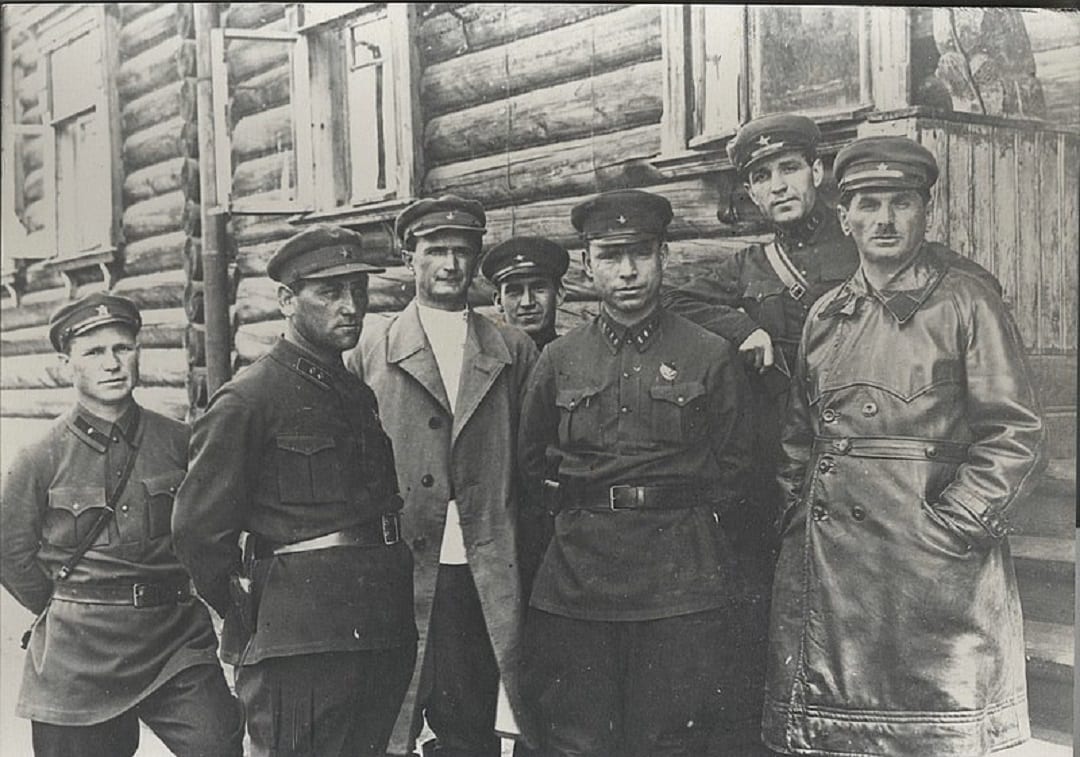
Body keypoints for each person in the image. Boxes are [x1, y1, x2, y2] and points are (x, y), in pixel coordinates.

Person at [763, 136, 1046, 756]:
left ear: (926, 212)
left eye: (901, 203)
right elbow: (798, 438)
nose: (883, 221)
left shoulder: (967, 302)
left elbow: (1016, 432)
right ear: (844, 216)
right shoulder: (826, 314)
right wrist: (794, 520)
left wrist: (951, 528)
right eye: (866, 204)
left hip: (930, 577)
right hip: (833, 577)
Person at [518, 189, 756, 757]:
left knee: (671, 741)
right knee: (577, 740)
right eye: (610, 255)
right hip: (579, 580)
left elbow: (739, 466)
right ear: (586, 264)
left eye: (641, 253)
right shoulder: (559, 360)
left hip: (680, 578)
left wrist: (692, 530)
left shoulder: (707, 353)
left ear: (664, 257)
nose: (627, 271)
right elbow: (531, 466)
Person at [172, 225, 417, 757]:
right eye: (329, 292)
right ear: (287, 300)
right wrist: (249, 617)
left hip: (375, 630)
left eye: (358, 289)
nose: (350, 306)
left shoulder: (354, 393)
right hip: (299, 644)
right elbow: (196, 533)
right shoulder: (248, 399)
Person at [0, 292, 243, 757]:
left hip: (174, 643)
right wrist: (70, 603)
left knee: (221, 745)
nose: (111, 363)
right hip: (80, 655)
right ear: (65, 363)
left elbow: (211, 531)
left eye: (122, 348)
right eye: (93, 352)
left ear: (138, 352)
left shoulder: (180, 442)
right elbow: (10, 554)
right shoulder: (39, 456)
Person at [346, 196, 538, 757]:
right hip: (395, 567)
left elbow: (527, 461)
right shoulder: (368, 350)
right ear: (410, 258)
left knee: (467, 722)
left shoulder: (511, 349)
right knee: (383, 716)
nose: (449, 265)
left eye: (462, 251)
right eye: (435, 251)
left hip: (477, 568)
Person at [481, 235, 571, 351]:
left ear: (559, 294)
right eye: (514, 292)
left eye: (538, 288)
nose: (527, 302)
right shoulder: (488, 364)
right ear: (498, 302)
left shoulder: (575, 358)